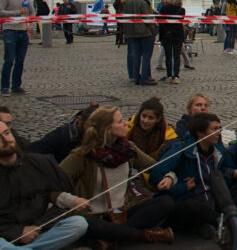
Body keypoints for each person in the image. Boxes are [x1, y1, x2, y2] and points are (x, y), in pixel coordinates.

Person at [59, 106, 175, 246]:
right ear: (108, 129)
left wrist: (169, 177)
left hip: (123, 212)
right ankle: (144, 235)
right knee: (93, 226)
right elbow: (52, 183)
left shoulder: (128, 148)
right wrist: (72, 200)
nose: (125, 123)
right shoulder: (82, 155)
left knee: (165, 202)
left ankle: (111, 239)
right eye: (120, 122)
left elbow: (154, 166)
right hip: (94, 216)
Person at [150, 113, 237, 238]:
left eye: (219, 128)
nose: (219, 132)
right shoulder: (183, 149)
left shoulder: (218, 150)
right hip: (190, 201)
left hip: (213, 200)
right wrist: (174, 181)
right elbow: (156, 174)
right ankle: (232, 222)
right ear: (200, 133)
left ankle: (214, 223)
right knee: (191, 206)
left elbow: (226, 169)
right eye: (214, 129)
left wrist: (232, 173)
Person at [0, 120, 91, 250]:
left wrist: (37, 226)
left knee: (78, 224)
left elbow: (55, 194)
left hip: (39, 229)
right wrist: (17, 232)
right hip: (6, 234)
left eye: (7, 133)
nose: (6, 140)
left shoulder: (37, 162)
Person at [26, 103, 99, 162]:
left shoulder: (81, 132)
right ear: (79, 121)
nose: (93, 129)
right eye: (89, 125)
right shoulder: (65, 138)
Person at [1, 0, 33, 97]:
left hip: (23, 31)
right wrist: (17, 12)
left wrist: (30, 22)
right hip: (10, 31)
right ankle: (4, 87)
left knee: (20, 61)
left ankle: (16, 86)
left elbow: (31, 11)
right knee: (9, 60)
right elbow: (1, 11)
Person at [124, 0, 158, 86]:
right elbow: (148, 19)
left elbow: (125, 18)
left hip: (132, 33)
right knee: (146, 55)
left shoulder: (129, 2)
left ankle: (136, 77)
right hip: (144, 32)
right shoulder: (143, 3)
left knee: (136, 55)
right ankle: (144, 77)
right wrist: (154, 30)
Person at [158, 0, 186, 84]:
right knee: (177, 56)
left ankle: (169, 75)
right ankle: (176, 76)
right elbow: (180, 22)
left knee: (168, 56)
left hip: (167, 35)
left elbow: (161, 22)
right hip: (177, 35)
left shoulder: (163, 9)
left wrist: (166, 31)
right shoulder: (182, 10)